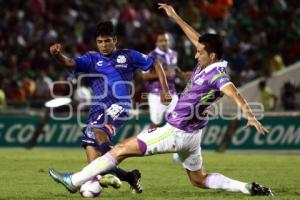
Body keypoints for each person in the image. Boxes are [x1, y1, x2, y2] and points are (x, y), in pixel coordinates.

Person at [48, 4, 274, 196]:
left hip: (175, 131)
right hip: (194, 136)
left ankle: (75, 181)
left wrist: (250, 115)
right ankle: (246, 187)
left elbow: (233, 91)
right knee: (199, 179)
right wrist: (175, 17)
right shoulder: (209, 62)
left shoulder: (217, 76)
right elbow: (196, 38)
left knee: (118, 151)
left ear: (211, 55)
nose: (196, 54)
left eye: (200, 52)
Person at [49, 21, 171, 193]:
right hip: (97, 109)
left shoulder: (128, 56)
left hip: (120, 105)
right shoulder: (91, 58)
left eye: (107, 41)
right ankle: (129, 177)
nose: (104, 45)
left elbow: (156, 63)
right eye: (100, 42)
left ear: (115, 40)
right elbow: (69, 63)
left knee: (99, 131)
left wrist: (165, 90)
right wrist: (57, 55)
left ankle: (79, 180)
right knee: (95, 163)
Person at [143, 31, 184, 129]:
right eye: (161, 40)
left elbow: (173, 71)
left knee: (174, 123)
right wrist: (164, 73)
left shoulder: (174, 54)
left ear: (169, 42)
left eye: (165, 40)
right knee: (155, 124)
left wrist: (183, 74)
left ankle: (171, 144)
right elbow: (145, 76)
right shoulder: (150, 56)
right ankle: (148, 143)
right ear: (156, 43)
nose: (163, 43)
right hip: (156, 93)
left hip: (172, 93)